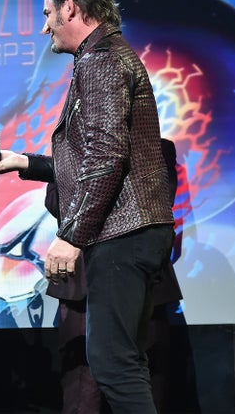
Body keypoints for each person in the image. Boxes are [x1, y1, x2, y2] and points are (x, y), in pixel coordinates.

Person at [0, 0, 175, 413]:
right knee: (122, 361)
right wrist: (21, 162)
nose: (44, 26)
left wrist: (71, 236)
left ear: (70, 6)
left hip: (123, 233)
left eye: (48, 13)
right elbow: (90, 158)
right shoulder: (105, 57)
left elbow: (105, 155)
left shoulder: (100, 60)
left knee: (112, 363)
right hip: (133, 230)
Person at [44, 138, 185, 413]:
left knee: (144, 383)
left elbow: (157, 204)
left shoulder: (157, 148)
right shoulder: (69, 150)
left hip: (140, 282)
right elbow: (54, 204)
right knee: (81, 391)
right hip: (82, 286)